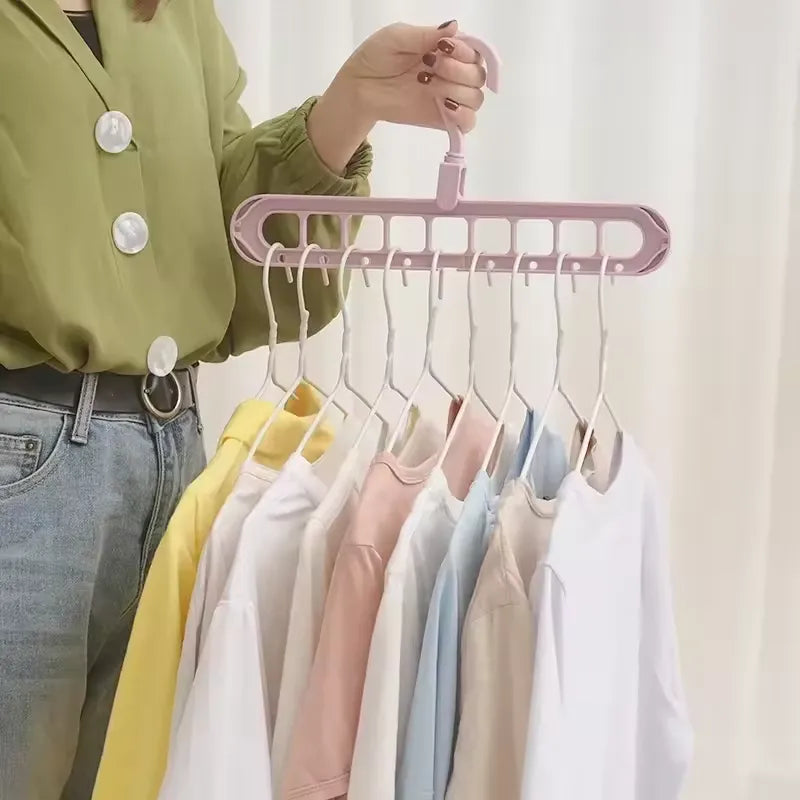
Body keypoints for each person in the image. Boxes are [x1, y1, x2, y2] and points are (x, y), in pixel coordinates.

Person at [0, 0, 487, 796]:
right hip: (20, 449)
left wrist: (351, 105)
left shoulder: (172, 11)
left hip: (176, 459)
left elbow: (223, 234)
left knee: (138, 775)